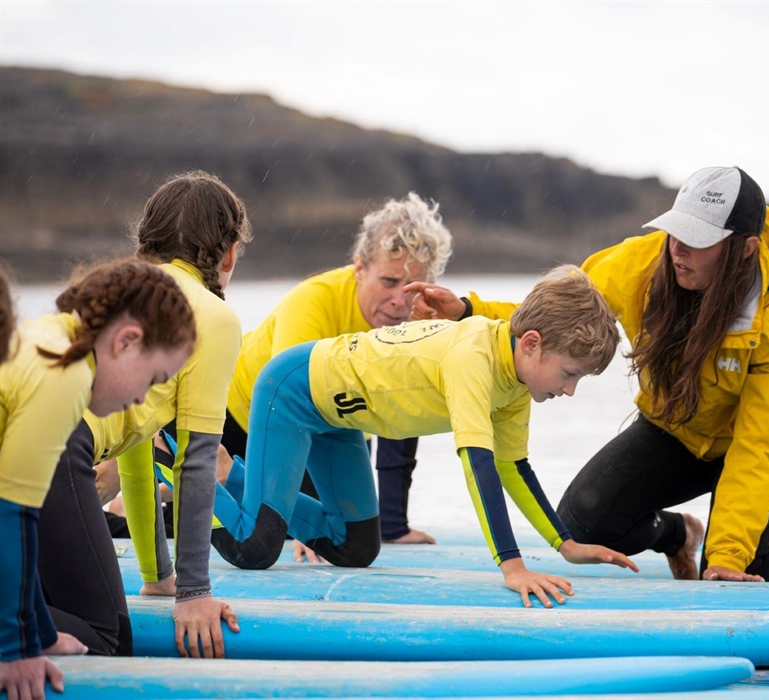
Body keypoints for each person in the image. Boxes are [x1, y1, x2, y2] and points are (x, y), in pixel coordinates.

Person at [407, 166, 769, 584]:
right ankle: (679, 533)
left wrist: (725, 554)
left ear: (743, 248)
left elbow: (761, 444)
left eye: (697, 239)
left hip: (755, 441)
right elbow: (555, 317)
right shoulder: (640, 264)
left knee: (739, 574)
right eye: (675, 232)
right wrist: (469, 311)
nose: (677, 249)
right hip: (675, 427)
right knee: (583, 523)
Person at [210, 265, 639, 608]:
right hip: (293, 390)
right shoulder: (474, 356)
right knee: (255, 548)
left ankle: (232, 474)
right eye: (569, 374)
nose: (569, 390)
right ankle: (197, 475)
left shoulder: (514, 383)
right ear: (531, 343)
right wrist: (513, 567)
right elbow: (478, 465)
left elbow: (513, 467)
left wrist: (564, 544)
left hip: (337, 418)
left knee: (356, 548)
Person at [36, 171, 252, 662]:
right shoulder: (212, 316)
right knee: (103, 637)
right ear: (230, 252)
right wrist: (194, 593)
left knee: (46, 605)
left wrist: (159, 577)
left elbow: (138, 447)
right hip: (52, 442)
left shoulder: (111, 285)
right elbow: (195, 462)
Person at [1, 259, 196, 700]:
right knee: (101, 645)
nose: (144, 398)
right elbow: (11, 518)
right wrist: (16, 648)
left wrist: (42, 633)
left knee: (90, 639)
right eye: (152, 379)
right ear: (126, 342)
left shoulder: (50, 338)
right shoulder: (65, 375)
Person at [224, 192, 453, 557]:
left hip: (325, 425)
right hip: (239, 419)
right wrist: (307, 526)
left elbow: (401, 416)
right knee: (268, 532)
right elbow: (289, 409)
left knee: (354, 541)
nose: (400, 301)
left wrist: (393, 525)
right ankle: (179, 480)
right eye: (389, 281)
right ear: (359, 268)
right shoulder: (313, 300)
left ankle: (174, 491)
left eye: (412, 287)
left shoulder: (418, 316)